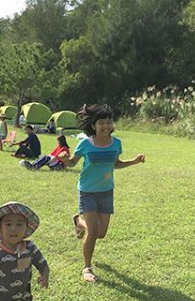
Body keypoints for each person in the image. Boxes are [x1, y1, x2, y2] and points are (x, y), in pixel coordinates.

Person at [58, 104, 146, 282]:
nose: (106, 126)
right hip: (87, 192)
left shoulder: (116, 143)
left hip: (106, 192)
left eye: (108, 122)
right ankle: (87, 268)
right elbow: (73, 163)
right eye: (101, 123)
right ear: (93, 125)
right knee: (93, 232)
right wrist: (65, 160)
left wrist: (134, 162)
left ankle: (77, 221)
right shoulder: (85, 143)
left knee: (101, 233)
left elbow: (116, 164)